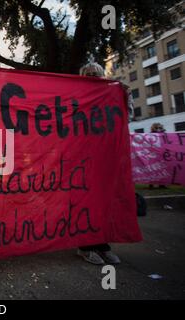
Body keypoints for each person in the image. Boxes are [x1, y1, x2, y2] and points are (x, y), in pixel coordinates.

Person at [76, 62, 122, 265]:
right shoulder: (75, 96)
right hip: (81, 159)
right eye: (89, 74)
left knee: (103, 205)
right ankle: (85, 247)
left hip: (104, 159)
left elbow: (124, 117)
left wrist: (124, 95)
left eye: (96, 74)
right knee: (84, 204)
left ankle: (103, 245)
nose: (93, 76)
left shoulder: (111, 95)